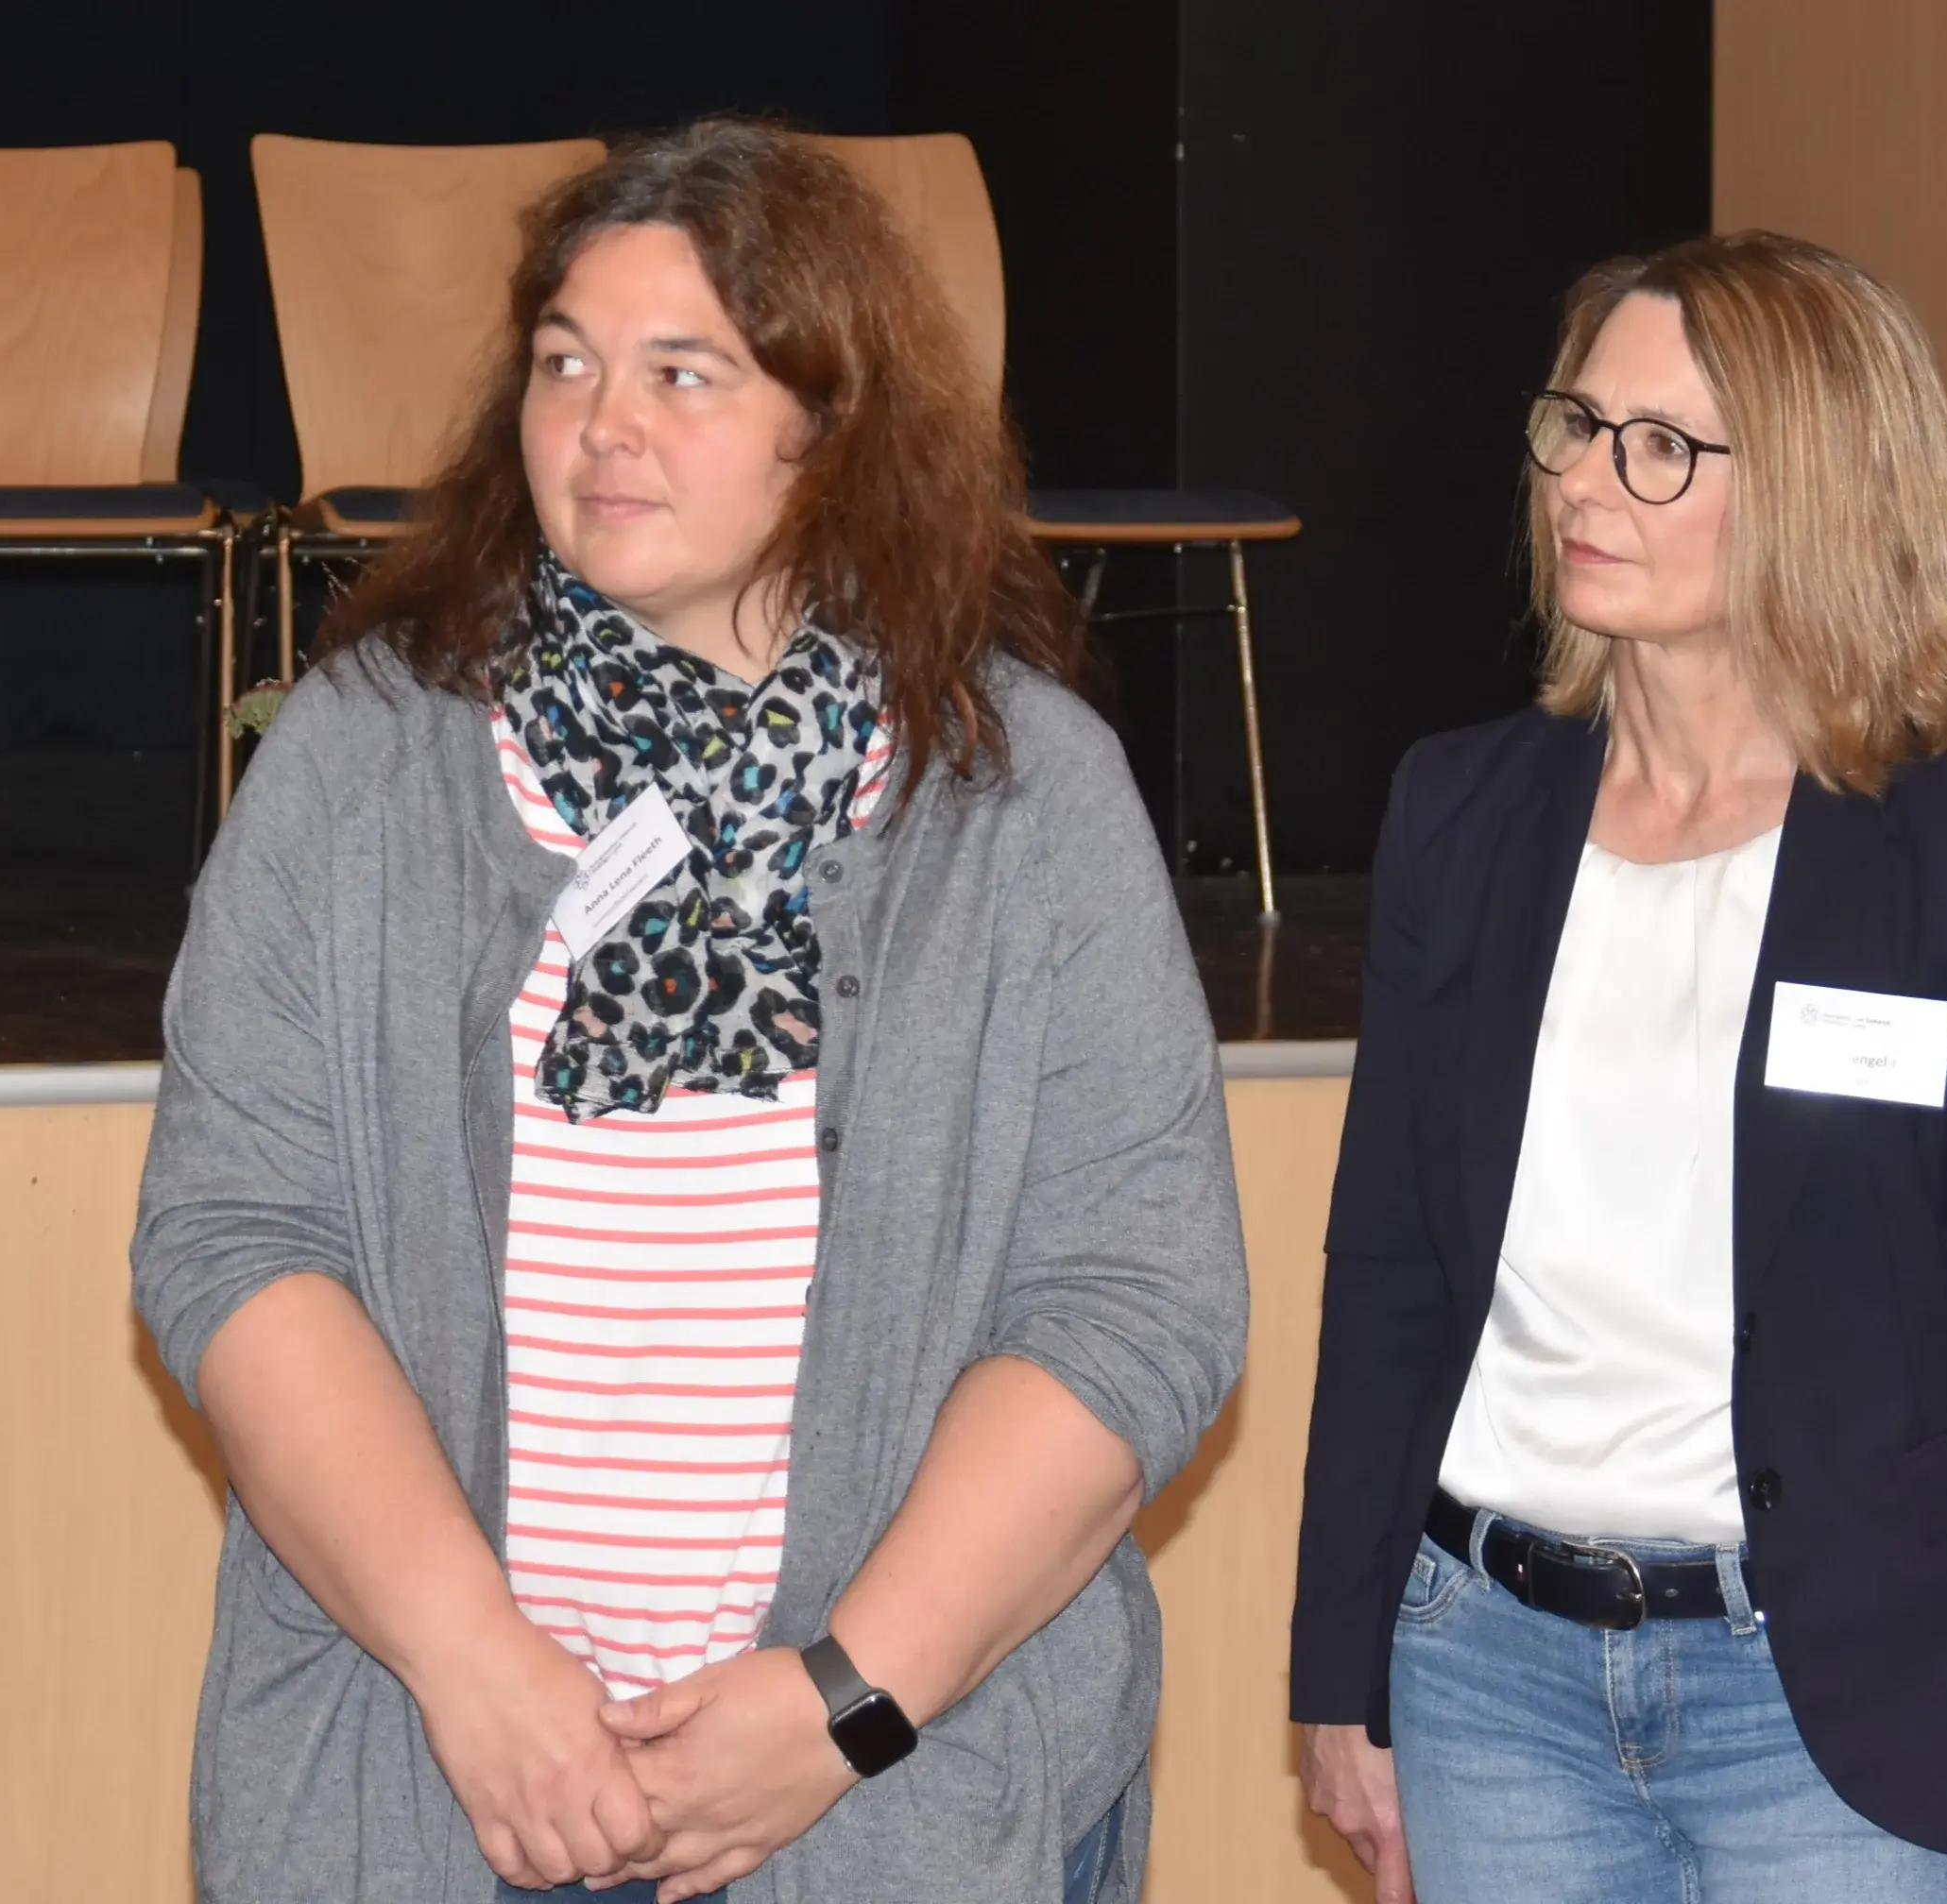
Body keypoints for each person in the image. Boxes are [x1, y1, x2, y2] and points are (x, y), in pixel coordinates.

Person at [131, 120, 1247, 1904]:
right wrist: (481, 1676)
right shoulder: (364, 762)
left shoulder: (1023, 795)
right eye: (564, 362)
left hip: (898, 1798)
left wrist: (843, 1705)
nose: (599, 424)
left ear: (836, 427)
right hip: (424, 1778)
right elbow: (237, 1239)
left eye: (683, 373)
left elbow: (1130, 1300)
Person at [1290, 231, 1947, 1902]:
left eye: (1656, 448)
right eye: (1574, 425)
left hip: (1843, 1710)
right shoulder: (1461, 812)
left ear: (1811, 483)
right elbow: (1383, 1272)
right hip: (1484, 1680)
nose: (1585, 481)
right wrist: (1335, 1671)